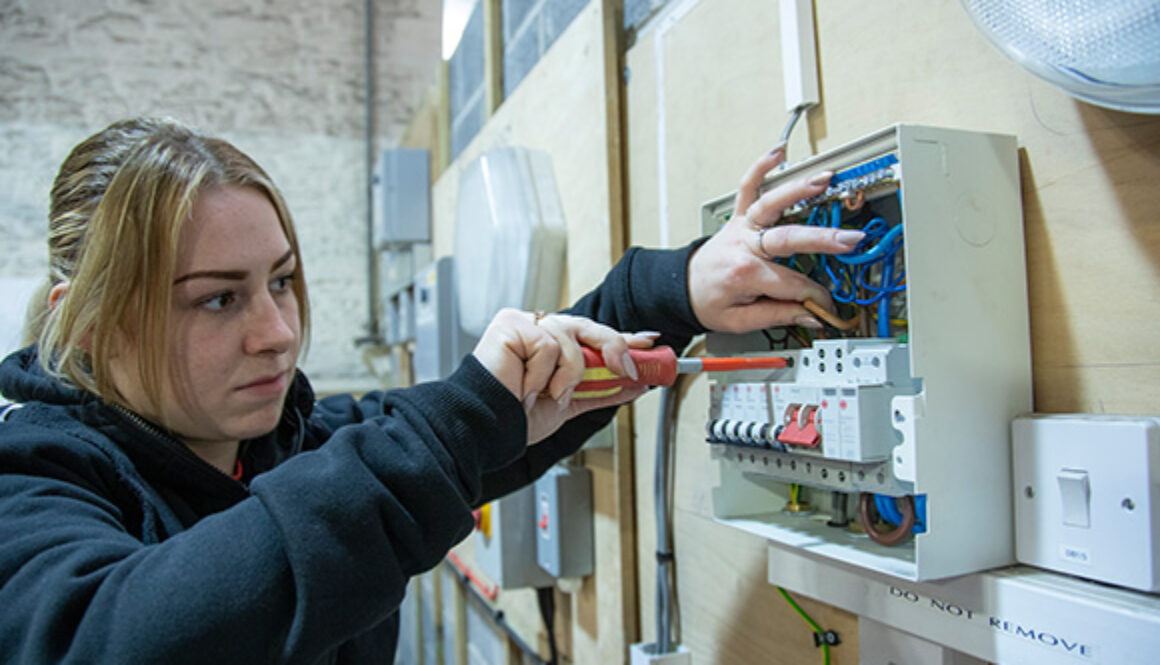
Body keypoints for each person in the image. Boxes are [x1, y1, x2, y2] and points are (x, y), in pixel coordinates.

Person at [0, 117, 860, 663]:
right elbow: (109, 635)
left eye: (283, 281)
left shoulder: (280, 442)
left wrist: (672, 293)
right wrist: (452, 429)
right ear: (93, 323)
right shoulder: (32, 486)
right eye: (219, 298)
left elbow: (478, 430)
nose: (278, 331)